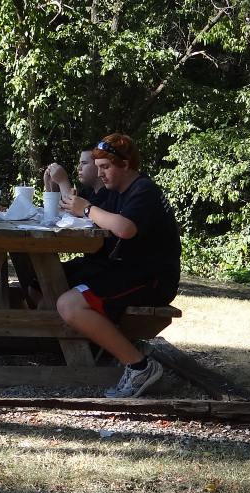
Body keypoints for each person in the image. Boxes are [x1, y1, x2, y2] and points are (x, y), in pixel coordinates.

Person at [56, 133, 181, 398]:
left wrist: (88, 209)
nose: (101, 174)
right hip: (126, 269)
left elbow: (125, 228)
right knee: (53, 279)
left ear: (125, 164)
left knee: (69, 303)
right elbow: (78, 211)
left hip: (152, 278)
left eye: (106, 167)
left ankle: (139, 366)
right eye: (98, 167)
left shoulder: (143, 189)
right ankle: (81, 349)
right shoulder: (117, 191)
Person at [43, 145, 108, 206]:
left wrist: (62, 181)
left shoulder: (109, 196)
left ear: (99, 165)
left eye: (84, 163)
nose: (79, 168)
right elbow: (58, 213)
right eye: (80, 163)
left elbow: (71, 209)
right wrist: (51, 187)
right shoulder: (87, 192)